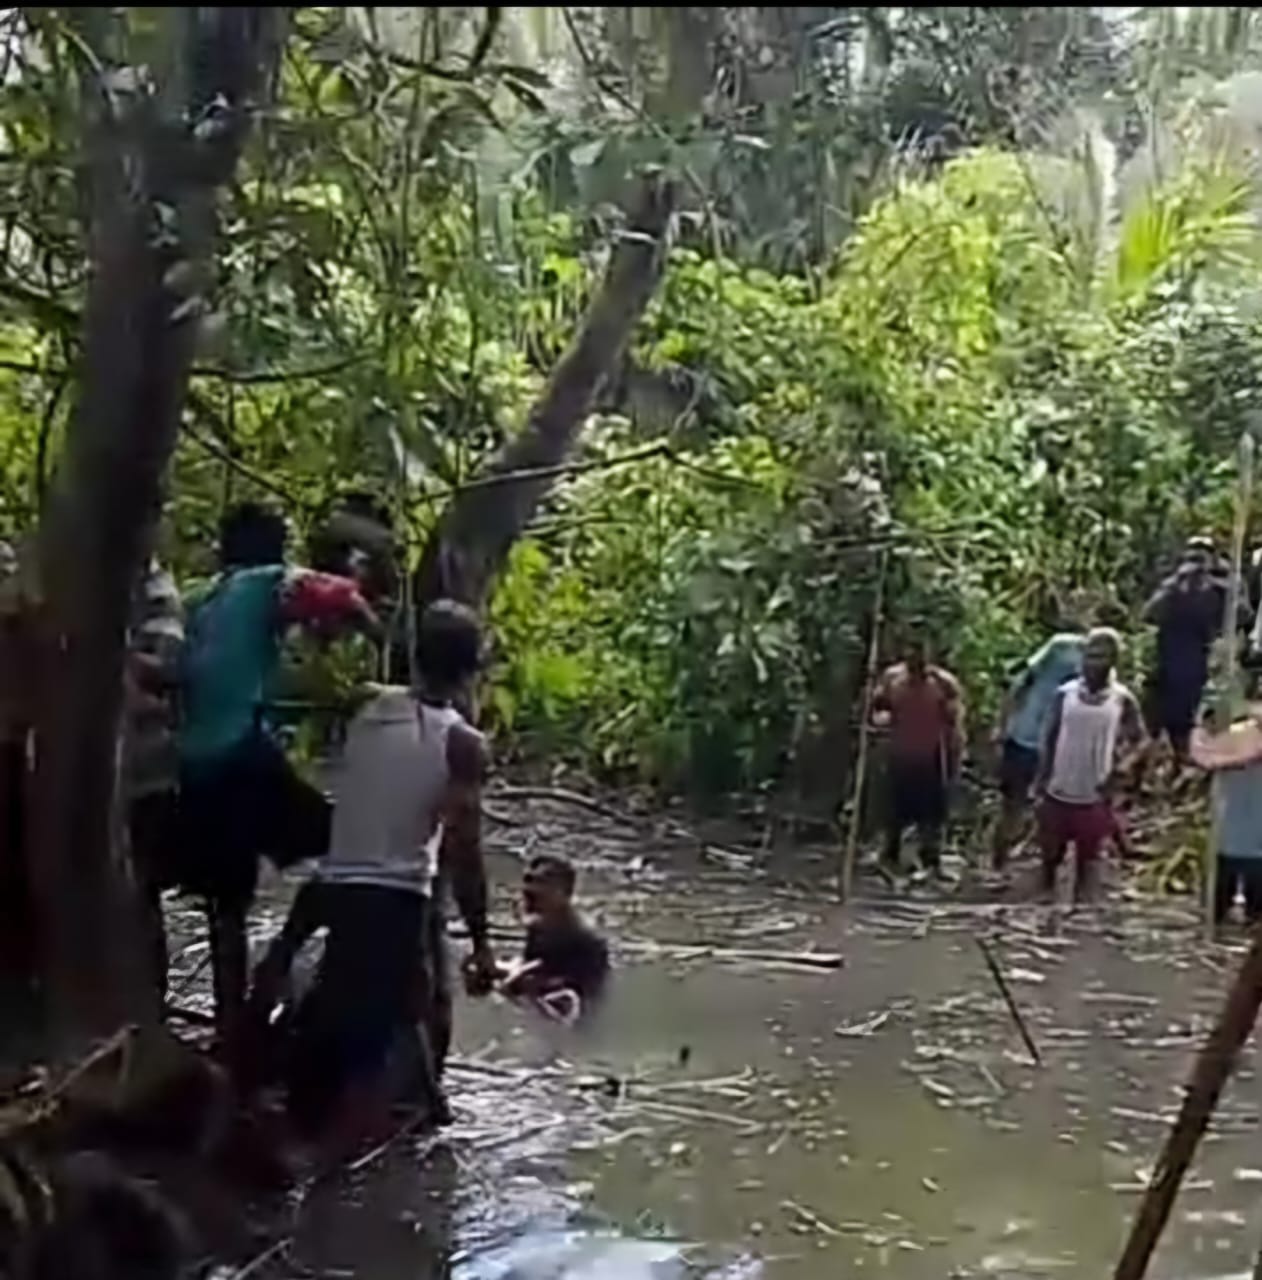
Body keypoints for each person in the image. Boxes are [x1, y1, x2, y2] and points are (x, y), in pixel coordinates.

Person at [243, 599, 496, 1158]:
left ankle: (416, 1102)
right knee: (374, 1052)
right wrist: (482, 942)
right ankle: (323, 1184)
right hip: (391, 901)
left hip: (328, 886)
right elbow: (464, 848)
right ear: (472, 671)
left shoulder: (363, 706)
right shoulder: (463, 744)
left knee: (376, 1010)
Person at [178, 502, 379, 1047]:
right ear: (273, 548)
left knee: (226, 905)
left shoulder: (199, 599)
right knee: (351, 847)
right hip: (239, 753)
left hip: (193, 766)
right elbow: (338, 595)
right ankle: (285, 960)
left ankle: (229, 1027)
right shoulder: (265, 581)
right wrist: (384, 644)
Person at [1036, 628, 1145, 904]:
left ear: (1114, 660)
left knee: (1089, 863)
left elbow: (1141, 741)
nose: (1095, 662)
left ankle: (1079, 923)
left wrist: (1122, 770)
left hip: (1095, 794)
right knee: (1049, 859)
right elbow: (1049, 737)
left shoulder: (1122, 698)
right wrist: (1041, 780)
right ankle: (1045, 912)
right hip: (1058, 789)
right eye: (1091, 655)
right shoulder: (1065, 694)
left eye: (1103, 656)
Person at [122, 558, 185, 1006]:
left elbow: (166, 663)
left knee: (138, 892)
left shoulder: (153, 586)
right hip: (86, 772)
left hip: (143, 771)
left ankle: (146, 1007)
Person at [1143, 537, 1245, 771]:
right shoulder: (1175, 585)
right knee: (1168, 718)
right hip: (1172, 662)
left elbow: (1240, 617)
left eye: (1202, 554)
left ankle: (1186, 762)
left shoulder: (1219, 587)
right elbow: (1150, 614)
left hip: (1194, 662)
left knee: (1188, 719)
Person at [871, 635, 964, 879]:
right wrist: (880, 718)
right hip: (900, 754)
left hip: (931, 757)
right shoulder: (892, 679)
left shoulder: (943, 683)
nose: (916, 659)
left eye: (921, 652)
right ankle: (889, 855)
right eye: (912, 652)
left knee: (932, 813)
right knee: (894, 810)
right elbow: (878, 707)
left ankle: (930, 858)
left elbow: (954, 721)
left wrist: (955, 754)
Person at [992, 629, 1087, 870]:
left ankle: (1040, 866)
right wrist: (1002, 726)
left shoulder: (1097, 666)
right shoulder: (1062, 647)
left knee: (1046, 807)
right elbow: (1020, 685)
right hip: (1026, 737)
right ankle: (1000, 862)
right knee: (1014, 804)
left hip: (1053, 745)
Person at [499, 853, 609, 1025]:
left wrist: (520, 980)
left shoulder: (586, 943)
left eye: (543, 882)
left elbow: (582, 1006)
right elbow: (536, 966)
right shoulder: (540, 926)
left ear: (566, 893)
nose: (530, 889)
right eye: (529, 880)